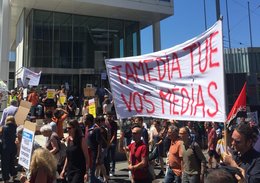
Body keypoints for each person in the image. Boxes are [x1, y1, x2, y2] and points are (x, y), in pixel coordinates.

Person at [84, 114, 103, 183]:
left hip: (93, 154)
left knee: (92, 175)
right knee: (90, 174)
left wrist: (98, 156)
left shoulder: (96, 129)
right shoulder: (86, 128)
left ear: (89, 120)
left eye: (85, 119)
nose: (84, 120)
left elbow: (99, 144)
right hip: (87, 154)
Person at [0, 116, 17, 183]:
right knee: (11, 161)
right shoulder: (16, 127)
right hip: (13, 147)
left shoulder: (3, 128)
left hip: (5, 148)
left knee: (4, 164)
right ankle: (14, 174)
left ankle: (6, 179)